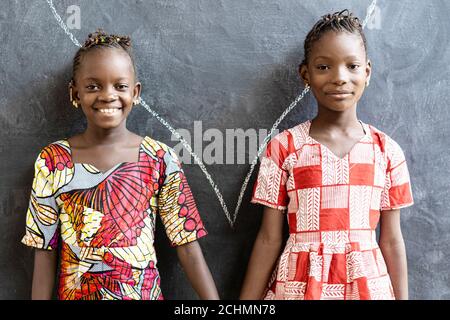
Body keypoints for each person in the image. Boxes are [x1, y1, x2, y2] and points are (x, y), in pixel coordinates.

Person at [21, 30, 219, 300]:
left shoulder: (159, 158)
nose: (107, 95)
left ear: (135, 92)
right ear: (74, 92)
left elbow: (187, 247)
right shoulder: (53, 161)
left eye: (120, 86)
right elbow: (44, 252)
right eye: (93, 86)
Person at [240, 10, 414, 300]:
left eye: (352, 66)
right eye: (324, 67)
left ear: (367, 73)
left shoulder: (387, 151)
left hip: (368, 289)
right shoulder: (283, 148)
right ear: (305, 75)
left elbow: (392, 240)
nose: (339, 78)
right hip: (298, 288)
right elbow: (269, 238)